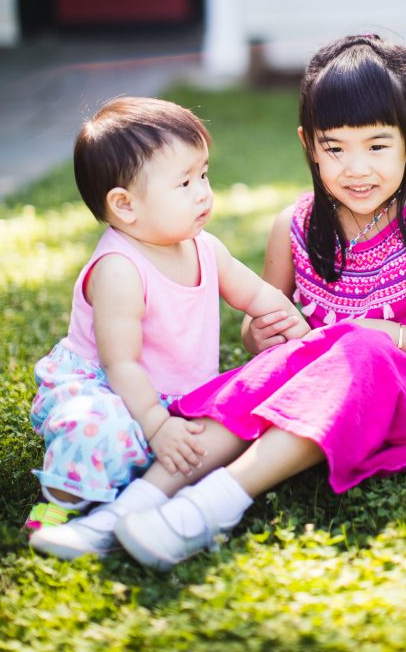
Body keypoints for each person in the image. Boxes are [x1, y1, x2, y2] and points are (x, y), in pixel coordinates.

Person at [36, 34, 406, 569]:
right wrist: (260, 336)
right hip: (304, 385)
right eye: (335, 148)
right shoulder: (294, 226)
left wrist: (378, 333)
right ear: (308, 145)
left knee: (353, 353)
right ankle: (128, 510)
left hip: (398, 391)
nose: (356, 168)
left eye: (377, 145)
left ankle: (210, 506)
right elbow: (263, 335)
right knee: (280, 369)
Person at [26, 96, 309, 559]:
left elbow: (258, 297)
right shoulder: (119, 269)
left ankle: (140, 486)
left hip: (174, 391)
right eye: (183, 182)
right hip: (110, 387)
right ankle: (61, 505)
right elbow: (121, 365)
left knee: (225, 423)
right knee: (103, 432)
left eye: (203, 175)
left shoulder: (204, 246)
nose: (202, 192)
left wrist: (296, 331)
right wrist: (157, 425)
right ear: (126, 205)